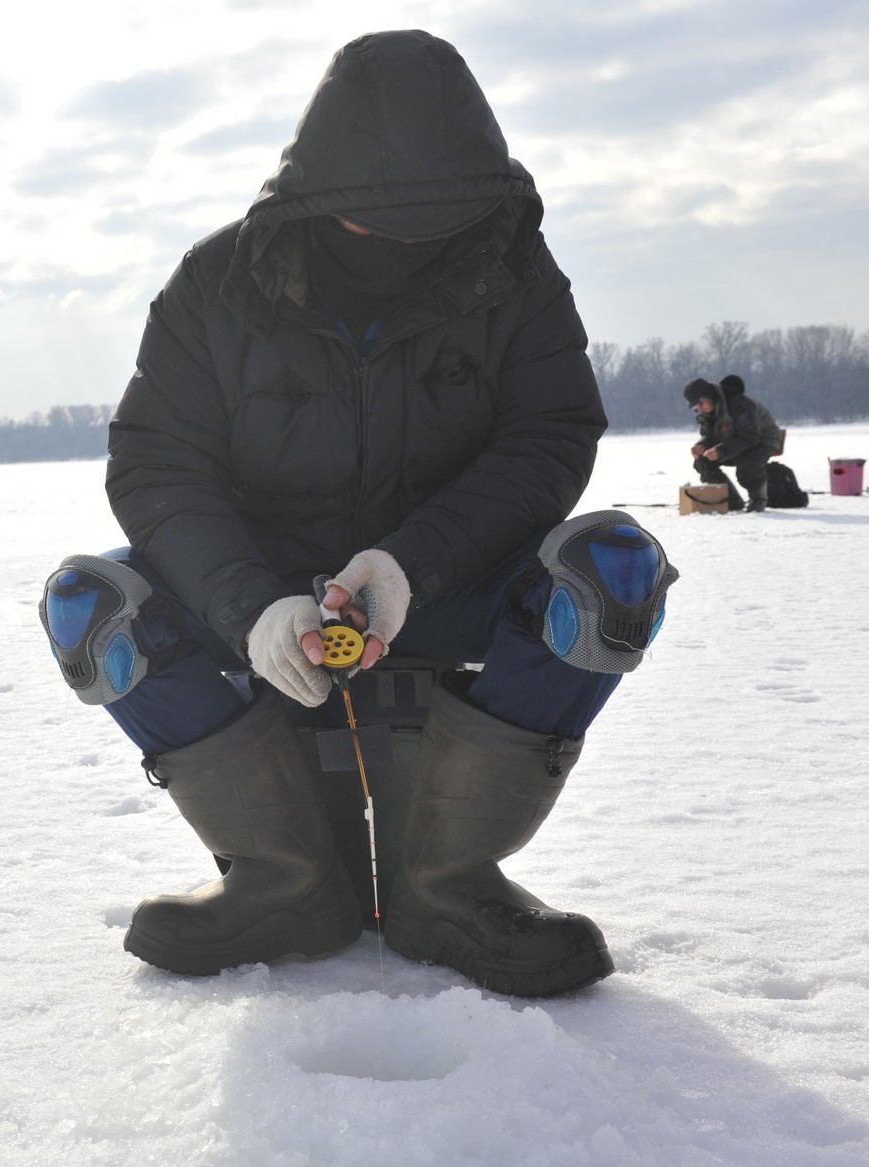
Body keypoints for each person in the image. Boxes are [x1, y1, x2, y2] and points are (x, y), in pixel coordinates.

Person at [38, 31, 677, 998]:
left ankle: (449, 888)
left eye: (439, 223)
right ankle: (282, 882)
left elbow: (549, 436)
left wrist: (413, 563)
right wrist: (251, 605)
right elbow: (159, 464)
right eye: (374, 226)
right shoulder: (215, 284)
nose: (407, 247)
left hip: (446, 579)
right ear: (317, 199)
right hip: (267, 594)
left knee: (611, 574)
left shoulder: (515, 269)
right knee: (93, 605)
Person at [684, 374, 784, 512]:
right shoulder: (707, 413)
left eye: (701, 403)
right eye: (696, 407)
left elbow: (750, 437)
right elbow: (709, 436)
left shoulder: (739, 403)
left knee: (747, 464)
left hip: (763, 439)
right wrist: (703, 445)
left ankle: (758, 499)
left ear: (709, 395)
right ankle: (731, 501)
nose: (700, 409)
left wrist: (720, 451)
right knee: (702, 462)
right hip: (735, 441)